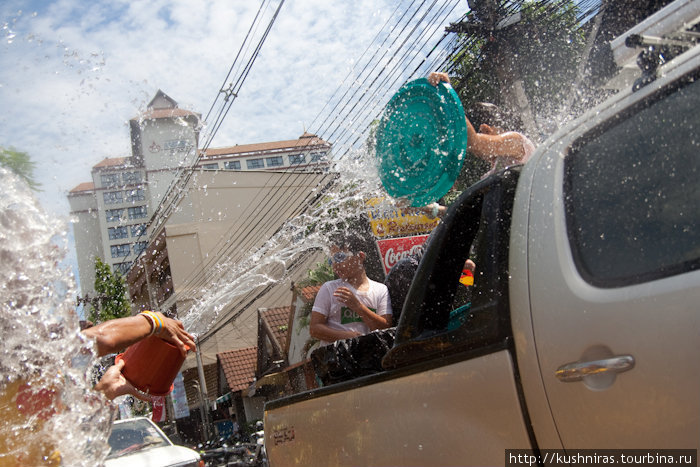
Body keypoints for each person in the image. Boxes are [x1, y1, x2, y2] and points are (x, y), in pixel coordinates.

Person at [418, 72, 537, 218]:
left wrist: (447, 99)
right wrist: (427, 207)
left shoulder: (516, 141)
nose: (476, 155)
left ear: (485, 129)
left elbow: (475, 143)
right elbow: (470, 215)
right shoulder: (494, 172)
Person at [83, 310, 196, 400]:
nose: (89, 323)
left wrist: (105, 392)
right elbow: (102, 339)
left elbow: (81, 424)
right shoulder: (67, 348)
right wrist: (155, 322)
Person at [309, 233, 393, 346]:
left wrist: (358, 307)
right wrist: (347, 337)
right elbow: (314, 329)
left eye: (339, 257)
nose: (335, 265)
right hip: (337, 358)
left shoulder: (380, 290)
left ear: (360, 256)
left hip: (368, 357)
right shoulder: (329, 289)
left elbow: (386, 329)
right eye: (331, 260)